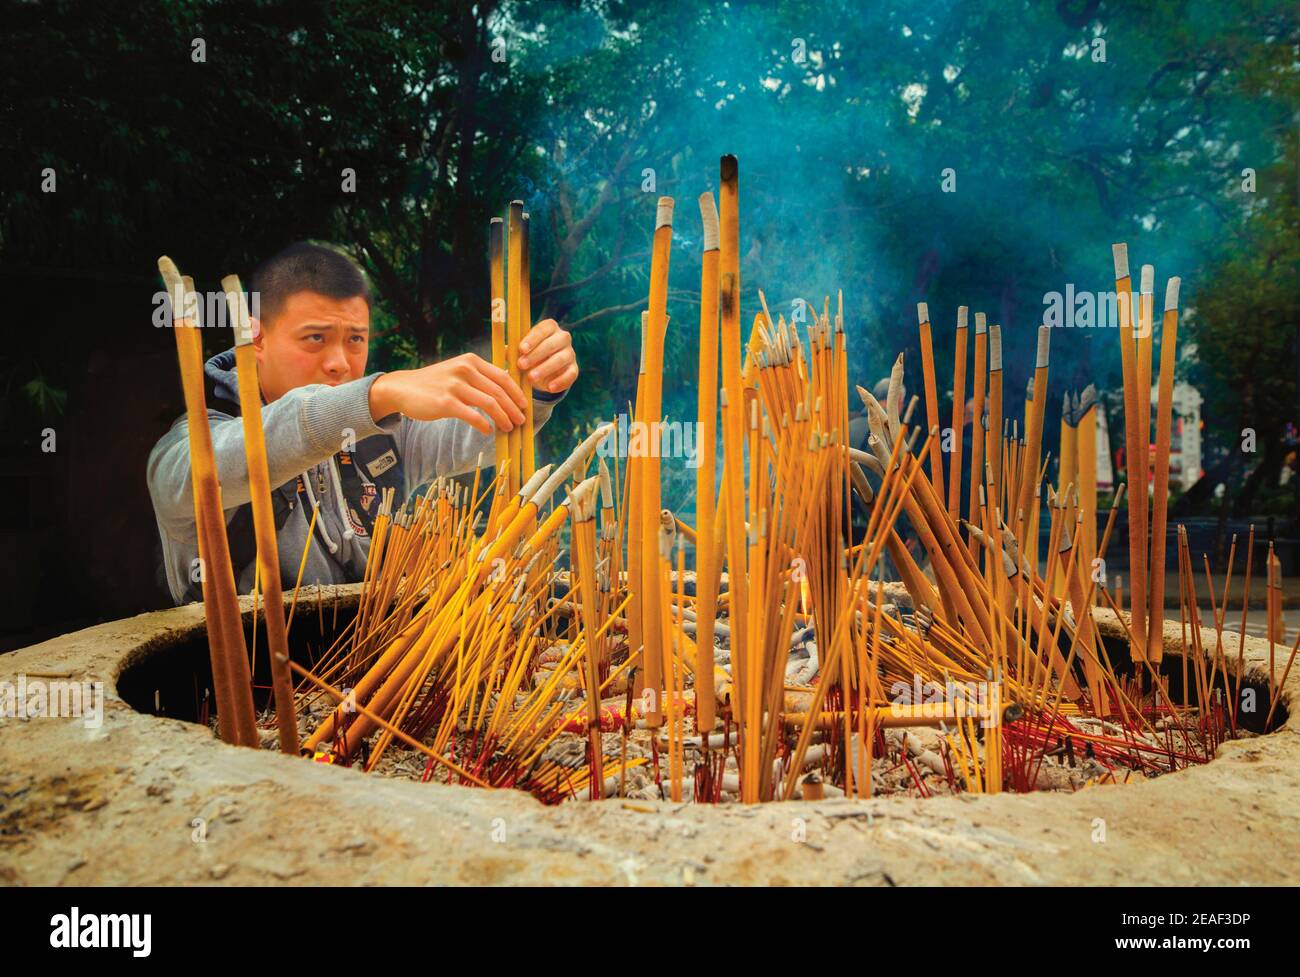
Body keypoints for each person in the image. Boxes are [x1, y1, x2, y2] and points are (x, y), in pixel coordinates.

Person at [147, 241, 578, 605]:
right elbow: (198, 476)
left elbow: (474, 430)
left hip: (364, 674)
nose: (339, 363)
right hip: (245, 693)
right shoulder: (197, 440)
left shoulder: (377, 428)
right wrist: (372, 396)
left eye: (355, 339)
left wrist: (534, 389)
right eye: (315, 338)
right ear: (256, 338)